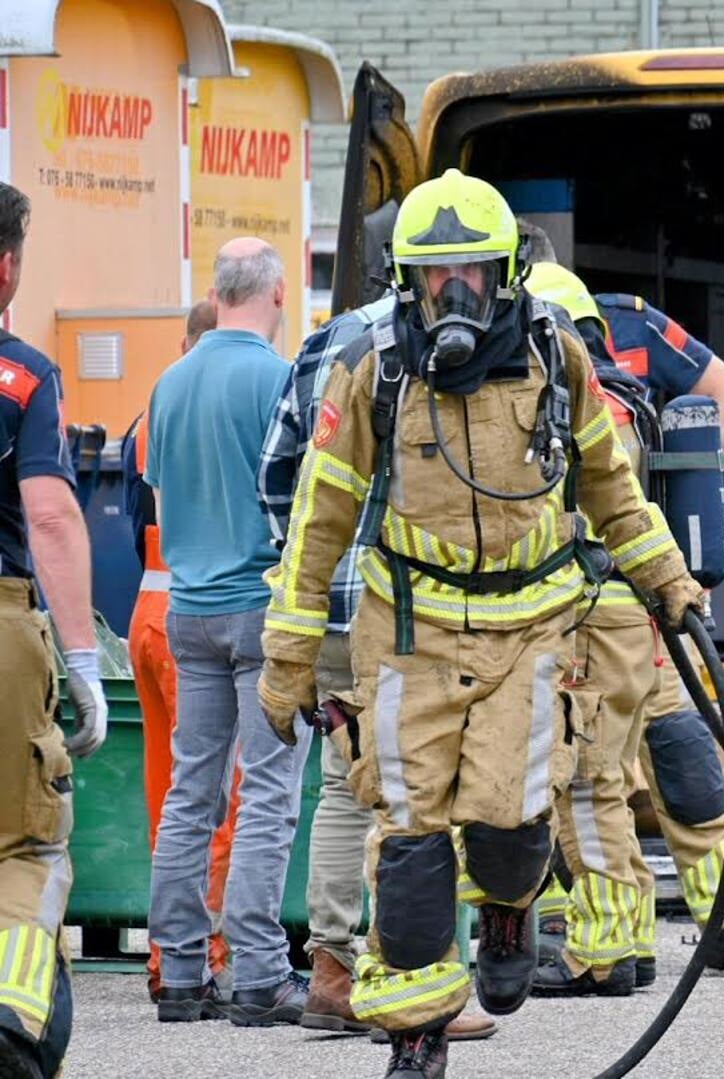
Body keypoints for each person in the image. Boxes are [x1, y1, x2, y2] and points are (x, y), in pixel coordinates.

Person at [255, 170, 704, 1079]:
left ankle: (508, 904)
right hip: (409, 634)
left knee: (508, 818)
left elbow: (612, 484)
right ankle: (417, 1033)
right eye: (433, 274)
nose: (451, 292)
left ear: (503, 272)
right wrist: (288, 655)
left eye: (469, 271)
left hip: (533, 628)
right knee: (411, 830)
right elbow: (319, 520)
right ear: (403, 279)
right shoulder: (374, 367)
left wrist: (669, 578)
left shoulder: (553, 355)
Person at [517, 261, 724, 998]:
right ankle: (702, 923)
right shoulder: (627, 393)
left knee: (586, 777)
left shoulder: (549, 405)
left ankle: (616, 942)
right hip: (654, 605)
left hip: (593, 615)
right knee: (681, 756)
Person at [256, 289, 498, 1044]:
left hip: (327, 603)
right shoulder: (439, 345)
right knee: (421, 788)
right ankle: (409, 973)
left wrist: (311, 573)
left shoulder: (326, 341)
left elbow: (275, 475)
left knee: (345, 782)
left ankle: (331, 973)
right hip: (407, 603)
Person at [145, 238, 314, 1027]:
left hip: (189, 608)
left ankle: (179, 971)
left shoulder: (169, 383)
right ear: (276, 293)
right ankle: (258, 972)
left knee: (191, 794)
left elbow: (158, 488)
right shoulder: (281, 380)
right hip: (263, 609)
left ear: (216, 293)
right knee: (269, 791)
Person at [0, 179, 106, 1079]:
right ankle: (9, 1022)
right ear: (5, 268)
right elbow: (55, 516)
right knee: (24, 844)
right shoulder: (24, 375)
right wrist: (80, 661)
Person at [130, 300, 242, 1003]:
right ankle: (212, 951)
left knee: (167, 794)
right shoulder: (215, 406)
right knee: (217, 799)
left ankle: (166, 954)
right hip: (197, 614)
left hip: (147, 609)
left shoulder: (153, 412)